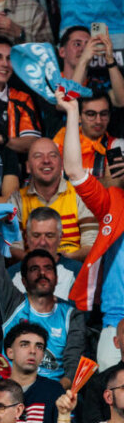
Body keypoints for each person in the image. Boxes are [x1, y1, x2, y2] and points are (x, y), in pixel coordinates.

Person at [56, 92, 124, 366]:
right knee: (113, 398)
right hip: (113, 322)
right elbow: (73, 170)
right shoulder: (112, 203)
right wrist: (72, 113)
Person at [0, 247, 85, 386]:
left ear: (56, 279)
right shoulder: (13, 303)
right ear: (24, 281)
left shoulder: (71, 314)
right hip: (11, 389)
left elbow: (73, 361)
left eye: (48, 268)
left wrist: (56, 392)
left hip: (53, 389)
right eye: (34, 269)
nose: (42, 273)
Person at [8, 141, 97, 263]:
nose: (46, 160)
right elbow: (12, 248)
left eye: (53, 155)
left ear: (61, 165)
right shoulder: (16, 200)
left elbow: (92, 246)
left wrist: (64, 260)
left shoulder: (80, 195)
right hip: (30, 272)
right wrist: (41, 264)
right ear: (28, 167)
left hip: (74, 269)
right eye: (38, 156)